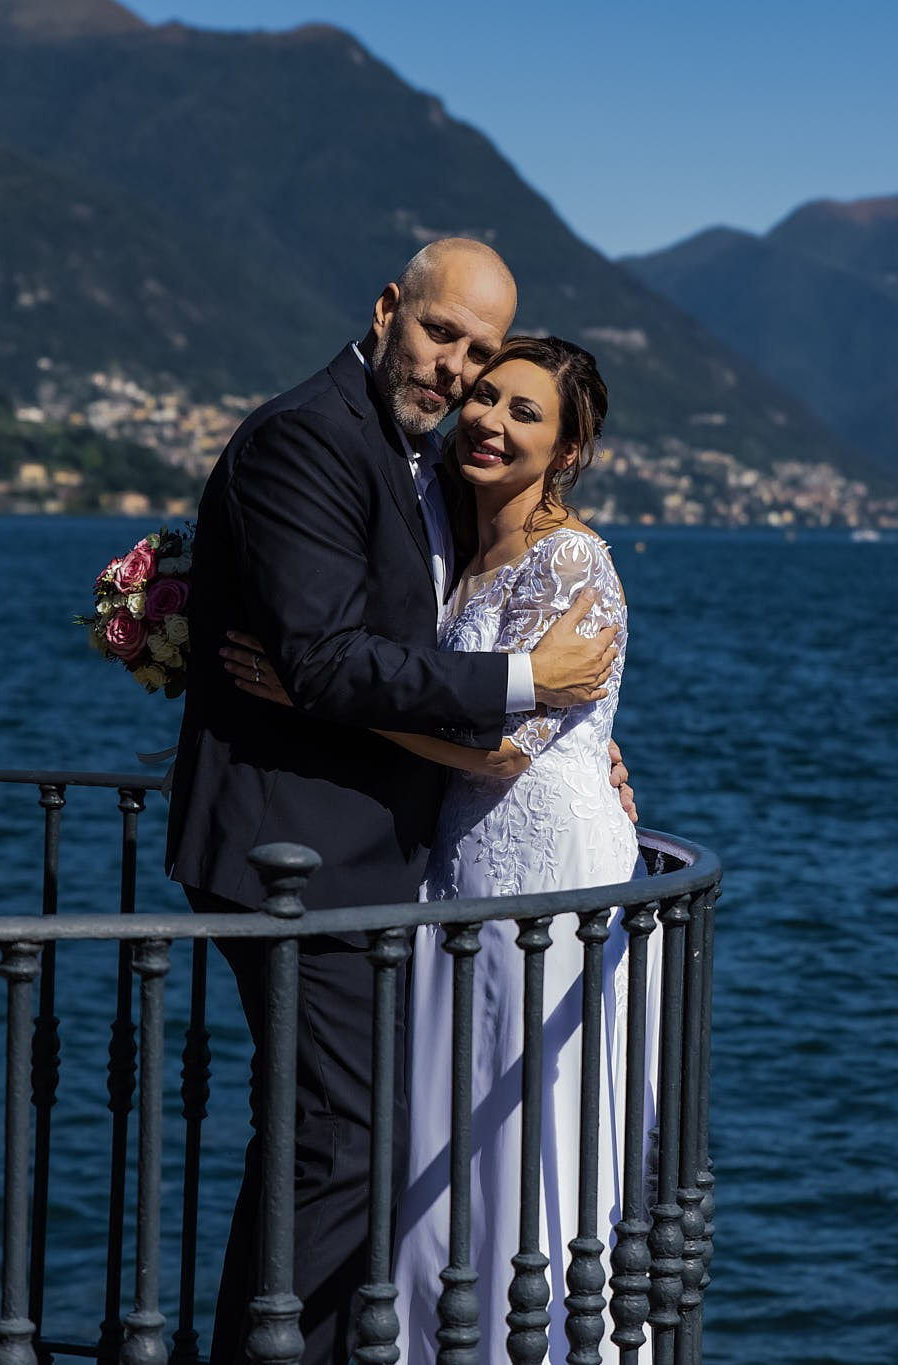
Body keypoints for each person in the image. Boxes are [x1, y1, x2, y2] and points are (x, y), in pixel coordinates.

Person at [164, 239, 628, 1364]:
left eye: (476, 358)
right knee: (344, 1142)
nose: (453, 373)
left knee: (367, 1138)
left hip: (381, 864)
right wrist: (531, 691)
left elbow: (398, 652)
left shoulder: (419, 466)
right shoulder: (308, 439)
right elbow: (325, 660)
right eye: (440, 336)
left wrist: (581, 748)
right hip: (296, 856)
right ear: (386, 309)